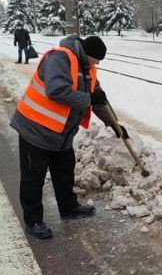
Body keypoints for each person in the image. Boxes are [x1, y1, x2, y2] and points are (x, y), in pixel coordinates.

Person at [10, 34, 129, 240]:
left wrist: (112, 123)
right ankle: (34, 221)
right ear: (86, 53)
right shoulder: (60, 58)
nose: (97, 63)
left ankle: (68, 208)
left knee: (65, 171)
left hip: (61, 133)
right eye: (96, 59)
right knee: (33, 177)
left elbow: (97, 99)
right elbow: (56, 91)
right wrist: (89, 98)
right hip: (35, 128)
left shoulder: (88, 69)